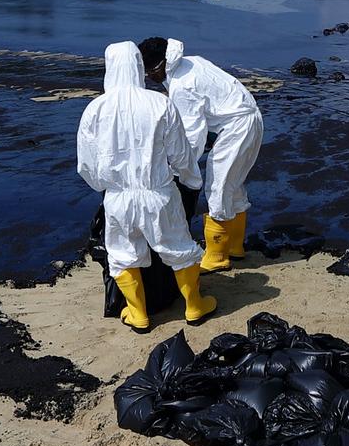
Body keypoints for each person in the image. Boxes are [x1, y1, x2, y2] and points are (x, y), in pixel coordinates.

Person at [77, 42, 216, 332]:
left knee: (122, 253)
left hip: (118, 197)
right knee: (178, 247)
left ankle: (138, 313)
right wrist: (192, 181)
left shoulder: (95, 110)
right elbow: (180, 153)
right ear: (140, 67)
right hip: (159, 194)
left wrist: (105, 187)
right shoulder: (160, 103)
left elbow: (86, 164)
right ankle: (194, 307)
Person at [138, 37, 263, 272]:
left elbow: (192, 137)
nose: (150, 80)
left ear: (160, 66)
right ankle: (235, 247)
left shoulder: (182, 86)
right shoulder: (190, 62)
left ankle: (216, 257)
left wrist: (179, 171)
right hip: (245, 120)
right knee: (232, 186)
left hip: (237, 127)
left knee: (218, 187)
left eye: (149, 73)